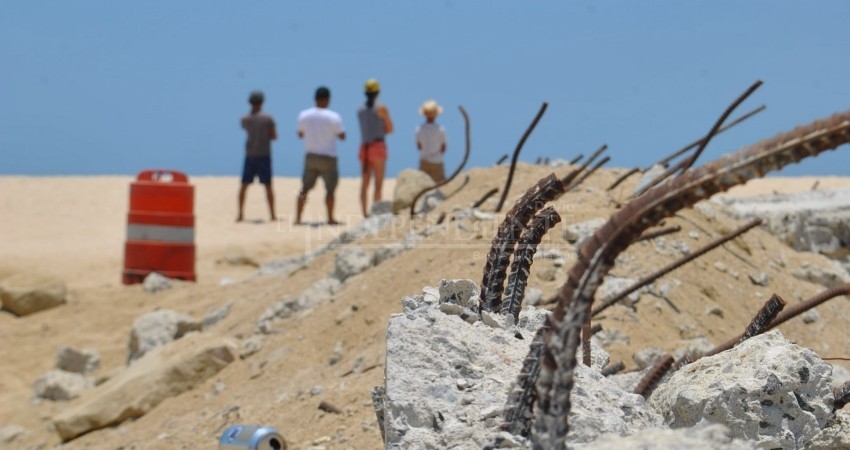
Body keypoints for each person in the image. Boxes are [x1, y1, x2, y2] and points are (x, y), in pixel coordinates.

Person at [296, 86, 345, 225]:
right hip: (328, 156)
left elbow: (300, 134)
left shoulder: (304, 115)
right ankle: (330, 218)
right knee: (330, 190)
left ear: (315, 98)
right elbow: (342, 136)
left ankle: (298, 218)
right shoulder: (333, 116)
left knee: (305, 188)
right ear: (327, 99)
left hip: (311, 156)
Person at [238, 90, 277, 222]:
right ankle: (272, 215)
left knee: (244, 185)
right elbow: (273, 136)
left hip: (250, 154)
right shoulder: (268, 119)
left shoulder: (245, 119)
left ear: (250, 102)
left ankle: (240, 214)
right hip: (264, 154)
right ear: (262, 102)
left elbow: (245, 128)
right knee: (268, 186)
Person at [357, 78, 394, 217]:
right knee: (378, 184)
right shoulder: (381, 108)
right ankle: (375, 213)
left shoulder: (360, 110)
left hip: (364, 147)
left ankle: (364, 213)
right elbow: (390, 129)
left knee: (364, 183)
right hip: (378, 146)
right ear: (377, 92)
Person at [415, 100, 447, 183]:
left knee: (423, 185)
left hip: (424, 160)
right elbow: (443, 147)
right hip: (437, 161)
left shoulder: (419, 129)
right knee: (439, 185)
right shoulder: (440, 129)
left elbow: (419, 146)